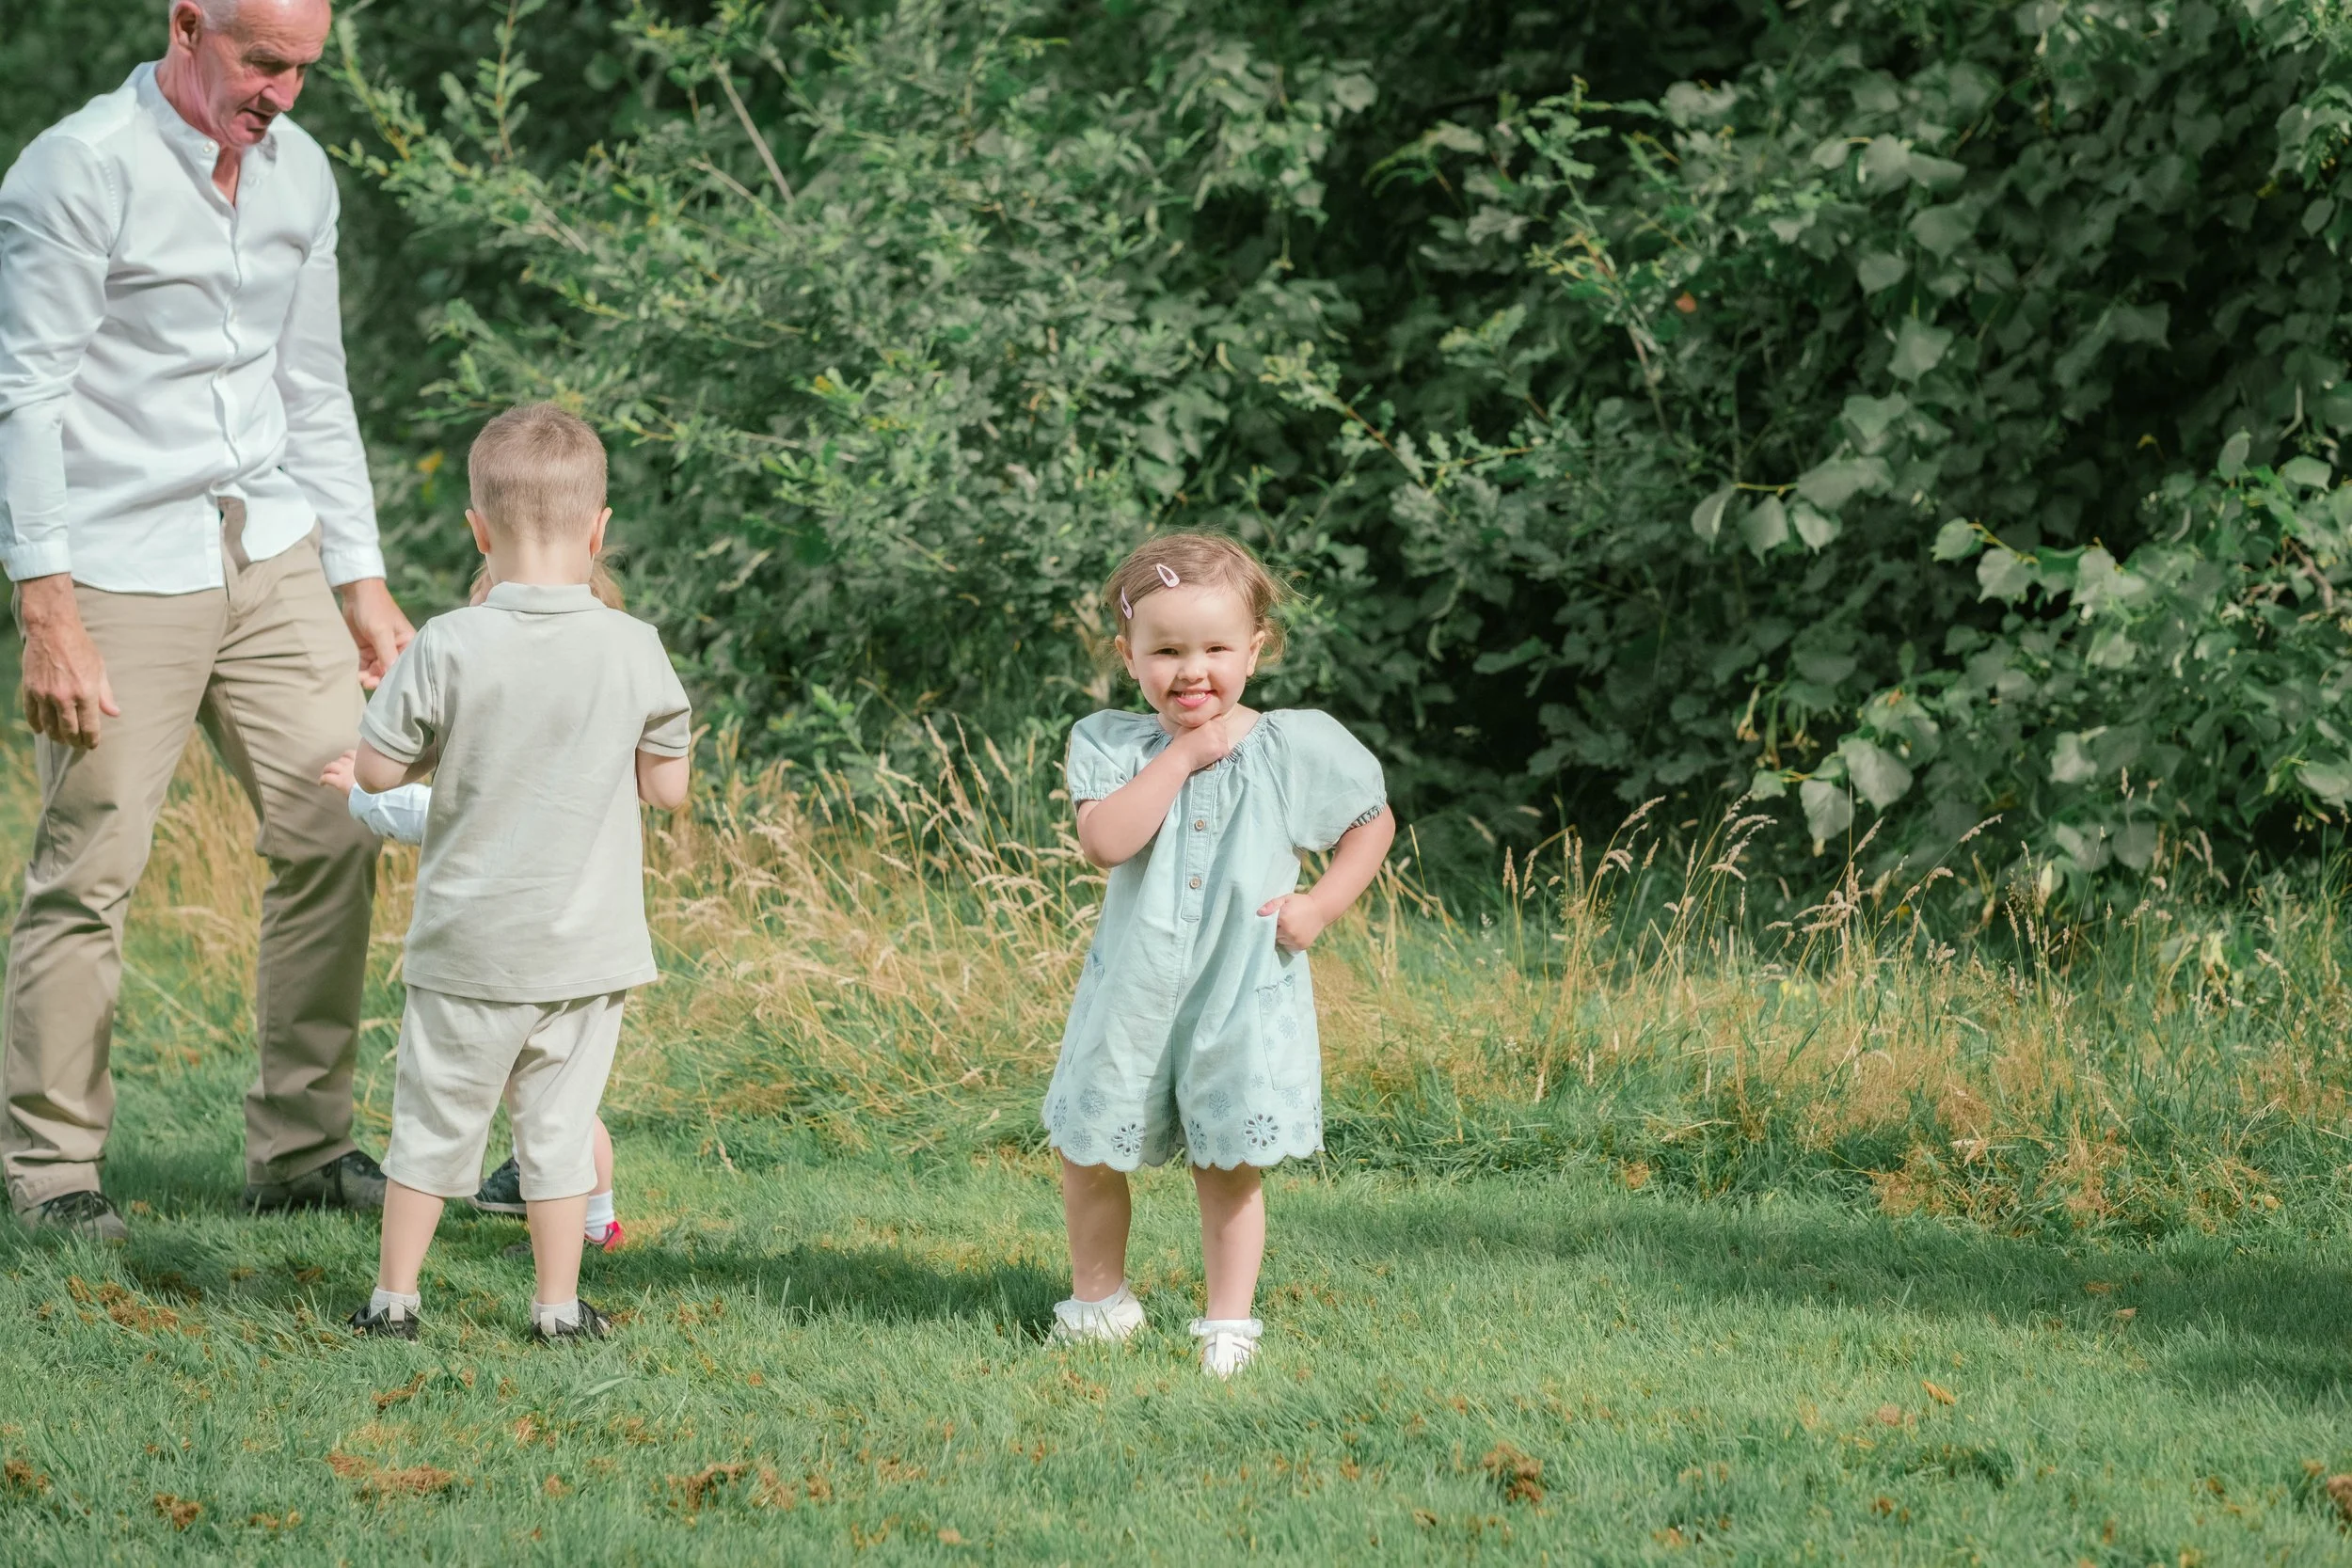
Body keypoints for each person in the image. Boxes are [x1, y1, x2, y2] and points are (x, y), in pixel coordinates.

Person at [0, 0, 413, 1239]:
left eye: (303, 70)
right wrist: (48, 610)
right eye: (261, 61)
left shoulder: (303, 173)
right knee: (92, 866)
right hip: (121, 559)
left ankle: (300, 1153)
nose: (283, 92)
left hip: (274, 543)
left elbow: (314, 380)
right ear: (189, 24)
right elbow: (22, 391)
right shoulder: (81, 169)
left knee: (338, 818)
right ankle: (49, 1174)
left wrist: (362, 575)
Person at [342, 403, 689, 1342]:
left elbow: (374, 773)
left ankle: (395, 1301)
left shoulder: (449, 643)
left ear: (478, 530)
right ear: (598, 527)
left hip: (468, 946)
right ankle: (556, 1309)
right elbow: (668, 789)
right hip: (587, 948)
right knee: (558, 1131)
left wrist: (409, 730)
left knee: (429, 1125)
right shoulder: (636, 646)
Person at [1043, 533, 1395, 1377]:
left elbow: (1370, 821)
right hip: (1132, 991)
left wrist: (1319, 904)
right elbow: (1106, 840)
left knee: (1229, 1164)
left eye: (1214, 648)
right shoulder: (1112, 743)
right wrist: (1184, 755)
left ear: (1255, 650)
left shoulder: (1291, 745)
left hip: (1241, 990)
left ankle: (1227, 1322)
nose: (1190, 669)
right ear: (1128, 656)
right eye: (1164, 650)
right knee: (1088, 1147)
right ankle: (1100, 1303)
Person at [317, 547, 636, 1256]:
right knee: (568, 1106)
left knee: (468, 1098)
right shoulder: (595, 711)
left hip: (496, 951)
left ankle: (407, 1283)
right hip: (582, 947)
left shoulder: (488, 684)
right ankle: (594, 1218)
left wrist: (366, 793)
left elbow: (448, 815)